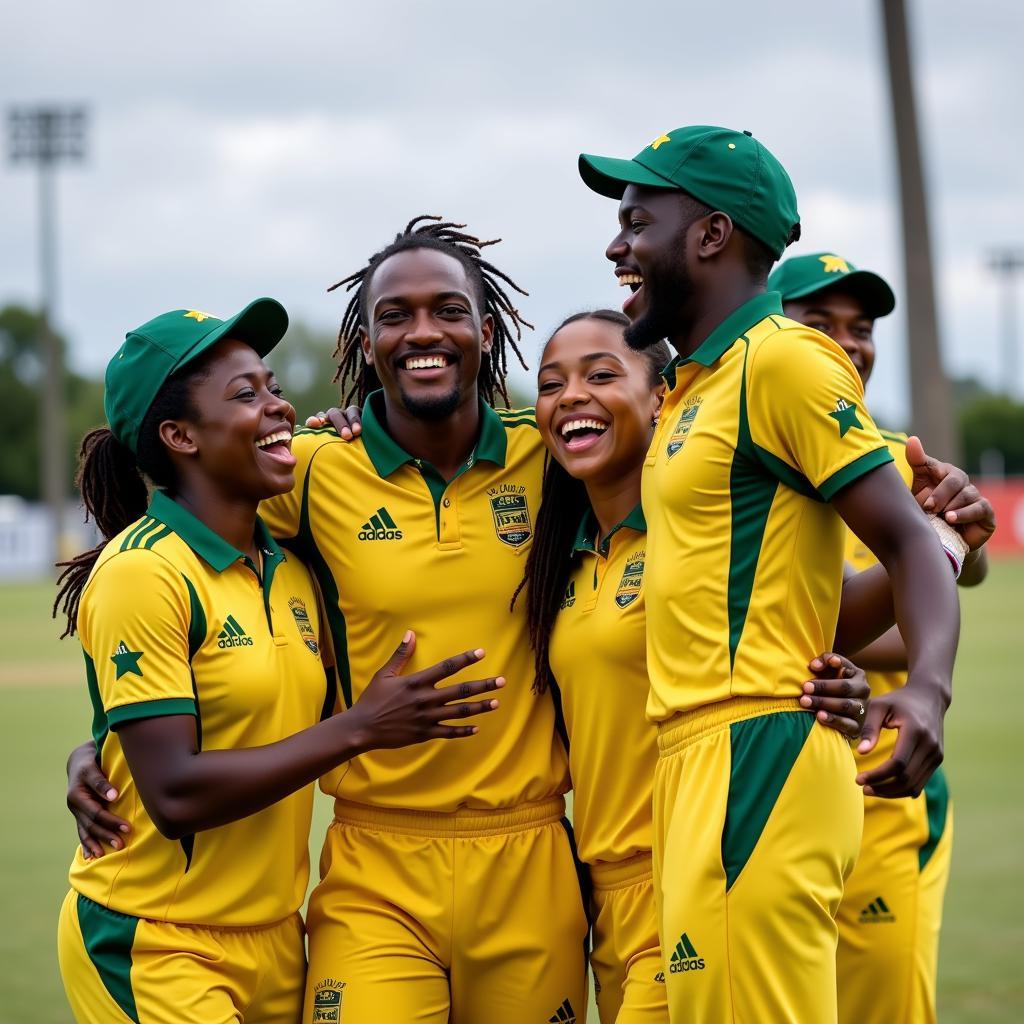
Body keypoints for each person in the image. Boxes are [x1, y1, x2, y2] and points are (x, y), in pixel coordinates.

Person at [67, 219, 589, 1024]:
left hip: (532, 851)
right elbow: (167, 572)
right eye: (393, 316)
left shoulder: (551, 459)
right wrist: (98, 746)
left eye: (449, 310)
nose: (423, 332)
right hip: (375, 859)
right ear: (366, 343)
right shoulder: (309, 469)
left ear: (486, 333)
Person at [577, 125, 961, 1022]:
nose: (616, 245)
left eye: (638, 220)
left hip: (755, 753)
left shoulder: (782, 361)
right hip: (696, 760)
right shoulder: (694, 386)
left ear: (710, 235)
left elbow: (906, 538)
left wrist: (929, 690)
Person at [523, 308, 874, 1024]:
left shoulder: (711, 531)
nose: (571, 397)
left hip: (698, 864)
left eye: (600, 375)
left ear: (664, 398)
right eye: (551, 384)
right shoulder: (562, 550)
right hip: (597, 898)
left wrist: (939, 537)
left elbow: (819, 615)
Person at [770, 251, 997, 1024]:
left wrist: (956, 538)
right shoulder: (734, 456)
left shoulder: (893, 457)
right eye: (819, 322)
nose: (847, 342)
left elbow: (955, 581)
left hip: (880, 785)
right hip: (762, 791)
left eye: (860, 328)